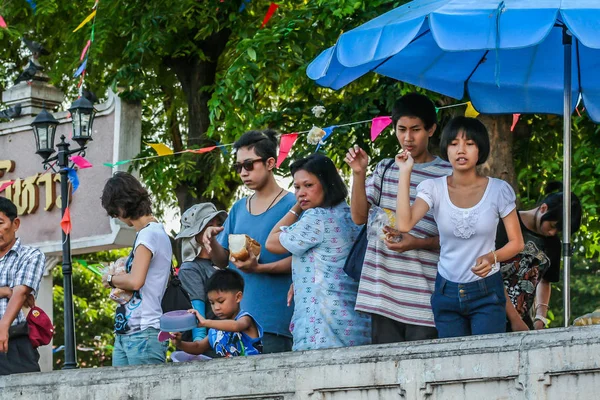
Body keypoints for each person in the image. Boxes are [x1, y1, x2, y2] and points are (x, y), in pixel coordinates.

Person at [395, 116, 524, 338]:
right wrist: (405, 171)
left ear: (480, 149)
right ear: (446, 148)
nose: (460, 150)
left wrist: (492, 257)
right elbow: (404, 224)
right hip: (446, 293)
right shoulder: (433, 188)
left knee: (487, 363)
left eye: (469, 144)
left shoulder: (498, 190)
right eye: (454, 144)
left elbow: (517, 243)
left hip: (487, 292)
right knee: (452, 368)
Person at [344, 93, 452, 344]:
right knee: (385, 376)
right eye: (401, 129)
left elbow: (456, 236)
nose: (408, 137)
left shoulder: (446, 174)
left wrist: (417, 242)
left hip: (425, 297)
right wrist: (358, 174)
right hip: (381, 293)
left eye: (416, 130)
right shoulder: (385, 169)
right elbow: (359, 217)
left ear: (431, 129)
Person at [202, 129, 296, 353]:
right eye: (238, 167)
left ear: (270, 163)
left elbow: (304, 260)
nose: (242, 172)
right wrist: (212, 241)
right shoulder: (238, 209)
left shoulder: (294, 205)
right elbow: (223, 261)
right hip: (237, 326)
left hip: (276, 325)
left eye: (249, 165)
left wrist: (260, 268)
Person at [266, 154, 371, 351]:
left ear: (327, 183)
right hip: (354, 323)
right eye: (297, 187)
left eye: (308, 185)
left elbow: (272, 241)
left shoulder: (316, 217)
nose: (301, 193)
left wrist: (297, 207)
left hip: (322, 328)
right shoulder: (351, 215)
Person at [100, 172, 172, 366]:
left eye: (115, 212)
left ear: (123, 205)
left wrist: (111, 279)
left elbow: (135, 281)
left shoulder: (148, 234)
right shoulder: (153, 232)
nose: (117, 217)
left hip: (144, 331)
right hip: (131, 332)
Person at [497, 182, 582, 331]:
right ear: (543, 208)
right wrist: (514, 319)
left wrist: (540, 318)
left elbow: (545, 280)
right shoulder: (507, 224)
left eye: (558, 231)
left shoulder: (553, 244)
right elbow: (492, 273)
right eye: (552, 226)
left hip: (522, 321)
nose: (552, 233)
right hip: (492, 312)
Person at [0, 197, 45, 375]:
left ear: (15, 224)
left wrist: (3, 326)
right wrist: (4, 290)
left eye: (0, 222)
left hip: (15, 342)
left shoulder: (30, 255)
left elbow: (20, 292)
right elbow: (13, 291)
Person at [173, 269, 263, 357]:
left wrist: (205, 322)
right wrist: (179, 343)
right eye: (212, 303)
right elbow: (198, 347)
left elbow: (235, 326)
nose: (216, 308)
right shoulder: (215, 330)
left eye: (221, 301)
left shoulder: (245, 319)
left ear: (238, 297)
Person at [175, 203, 227, 345]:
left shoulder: (222, 263)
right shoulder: (190, 269)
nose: (216, 228)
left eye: (218, 223)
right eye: (209, 224)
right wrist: (199, 346)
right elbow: (197, 317)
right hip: (207, 350)